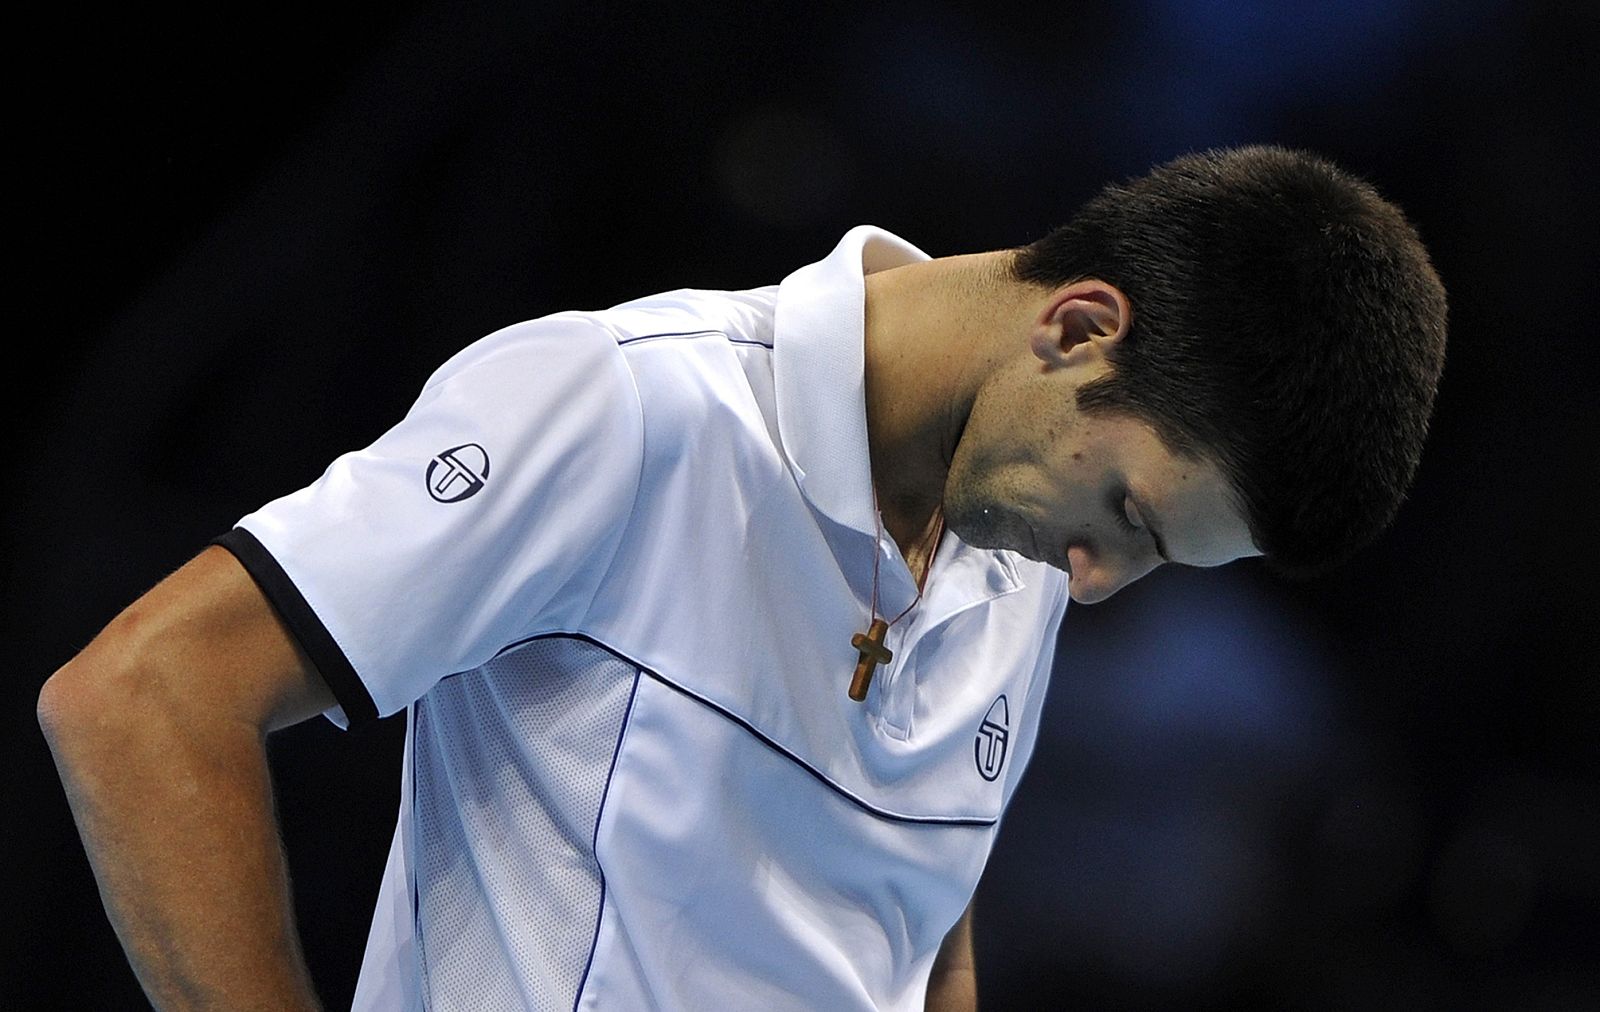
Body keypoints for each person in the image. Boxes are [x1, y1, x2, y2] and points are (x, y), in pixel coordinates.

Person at [38, 144, 1447, 1010]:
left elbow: (913, 937)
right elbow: (142, 699)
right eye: (1129, 518)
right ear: (1080, 329)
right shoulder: (625, 410)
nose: (1093, 582)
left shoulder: (1013, 545)